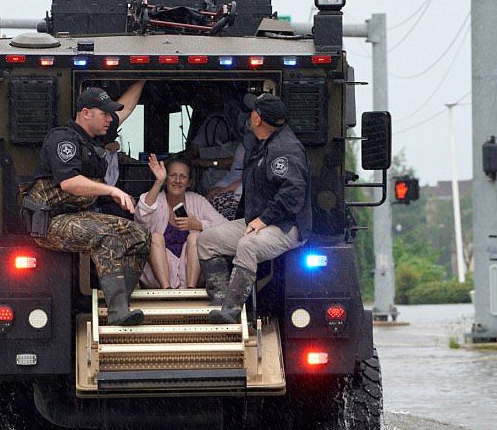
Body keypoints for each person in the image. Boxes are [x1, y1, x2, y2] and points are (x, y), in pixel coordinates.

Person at [22, 87, 150, 326]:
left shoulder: (95, 136)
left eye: (110, 115)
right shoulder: (64, 139)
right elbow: (70, 183)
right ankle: (117, 313)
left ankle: (120, 301)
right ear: (86, 113)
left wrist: (145, 76)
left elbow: (126, 110)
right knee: (107, 237)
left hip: (79, 216)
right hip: (51, 221)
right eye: (105, 114)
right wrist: (111, 190)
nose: (110, 119)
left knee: (139, 235)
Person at [197, 92, 312, 324]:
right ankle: (220, 300)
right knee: (206, 240)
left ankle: (232, 311)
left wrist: (264, 219)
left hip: (285, 225)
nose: (249, 115)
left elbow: (293, 193)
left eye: (253, 111)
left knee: (247, 245)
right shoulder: (260, 142)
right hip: (257, 220)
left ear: (258, 119)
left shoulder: (284, 148)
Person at [137, 154, 228, 289]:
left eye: (183, 176)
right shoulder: (156, 199)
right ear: (166, 179)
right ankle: (166, 290)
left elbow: (226, 228)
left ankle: (191, 290)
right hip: (156, 275)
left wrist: (199, 225)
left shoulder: (197, 201)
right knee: (155, 238)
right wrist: (158, 182)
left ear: (189, 182)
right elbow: (141, 219)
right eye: (173, 175)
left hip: (192, 273)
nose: (177, 180)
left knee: (195, 237)